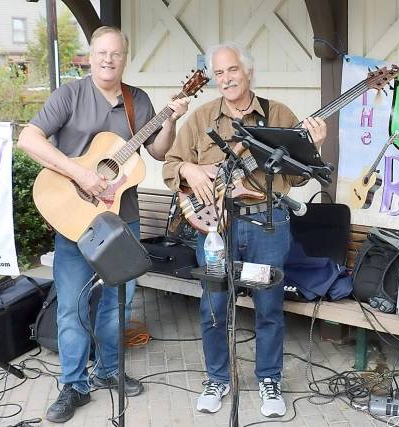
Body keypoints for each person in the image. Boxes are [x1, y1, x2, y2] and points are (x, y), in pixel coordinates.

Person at [18, 26, 190, 424]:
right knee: (73, 307)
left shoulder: (138, 101)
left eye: (115, 53)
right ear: (90, 55)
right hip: (75, 219)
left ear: (124, 58)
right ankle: (73, 385)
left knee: (118, 303)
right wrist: (80, 175)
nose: (108, 59)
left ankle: (108, 371)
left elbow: (160, 152)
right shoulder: (70, 95)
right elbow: (29, 139)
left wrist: (171, 120)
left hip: (121, 221)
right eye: (101, 53)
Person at [162, 42, 326, 418]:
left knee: (269, 306)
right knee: (214, 306)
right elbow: (171, 163)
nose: (225, 78)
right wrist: (188, 170)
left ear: (248, 72)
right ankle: (217, 378)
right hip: (217, 226)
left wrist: (312, 148)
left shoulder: (279, 115)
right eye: (218, 73)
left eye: (231, 70)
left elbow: (299, 178)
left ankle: (269, 379)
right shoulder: (202, 117)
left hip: (268, 224)